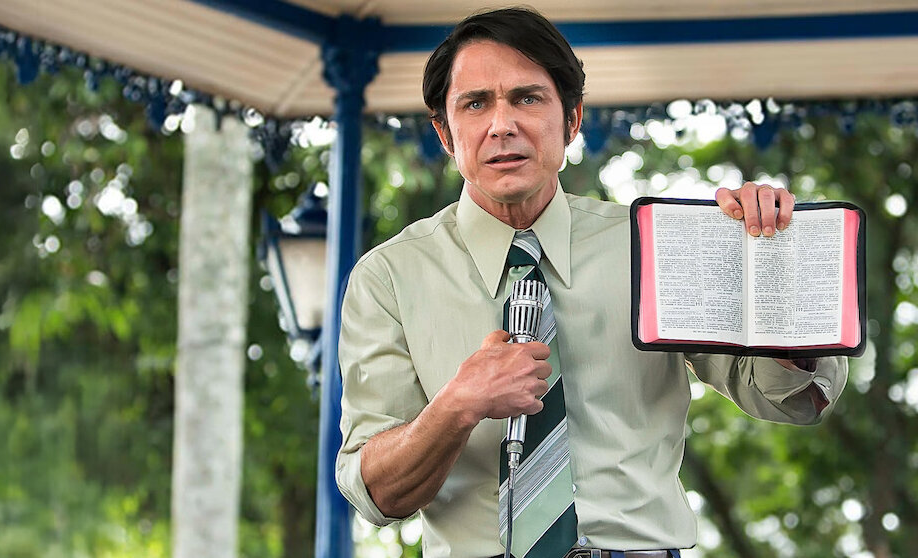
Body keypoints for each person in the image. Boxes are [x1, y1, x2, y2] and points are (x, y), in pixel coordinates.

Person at [335, 7, 848, 558]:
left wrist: (773, 266)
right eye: (475, 103)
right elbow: (377, 494)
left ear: (572, 119)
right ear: (444, 133)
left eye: (527, 98)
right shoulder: (388, 277)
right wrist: (458, 404)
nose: (501, 124)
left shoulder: (654, 246)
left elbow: (791, 400)